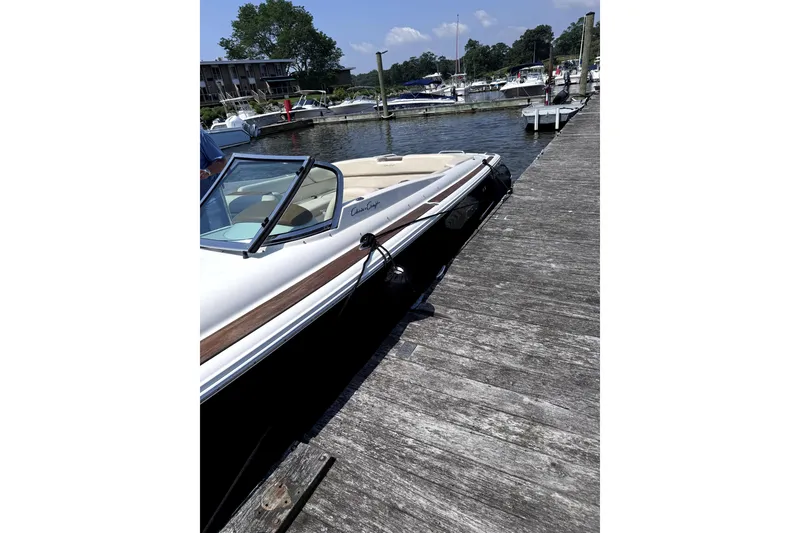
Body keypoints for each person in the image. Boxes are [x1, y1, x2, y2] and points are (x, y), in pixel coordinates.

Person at [200, 127, 230, 234]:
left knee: (220, 234)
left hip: (210, 197)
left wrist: (207, 172)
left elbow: (222, 162)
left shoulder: (201, 136)